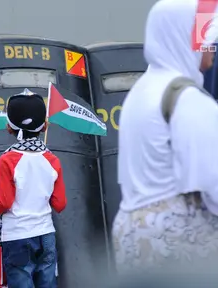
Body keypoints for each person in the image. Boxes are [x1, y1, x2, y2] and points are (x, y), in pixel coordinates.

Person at [113, 0, 218, 274]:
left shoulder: (140, 92)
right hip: (178, 240)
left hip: (133, 235)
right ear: (181, 35)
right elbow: (213, 186)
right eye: (205, 35)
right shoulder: (189, 99)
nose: (211, 44)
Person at [0, 90, 67, 288]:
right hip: (46, 236)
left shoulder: (7, 160)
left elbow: (3, 203)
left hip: (17, 239)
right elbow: (60, 204)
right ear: (45, 126)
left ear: (8, 128)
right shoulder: (53, 160)